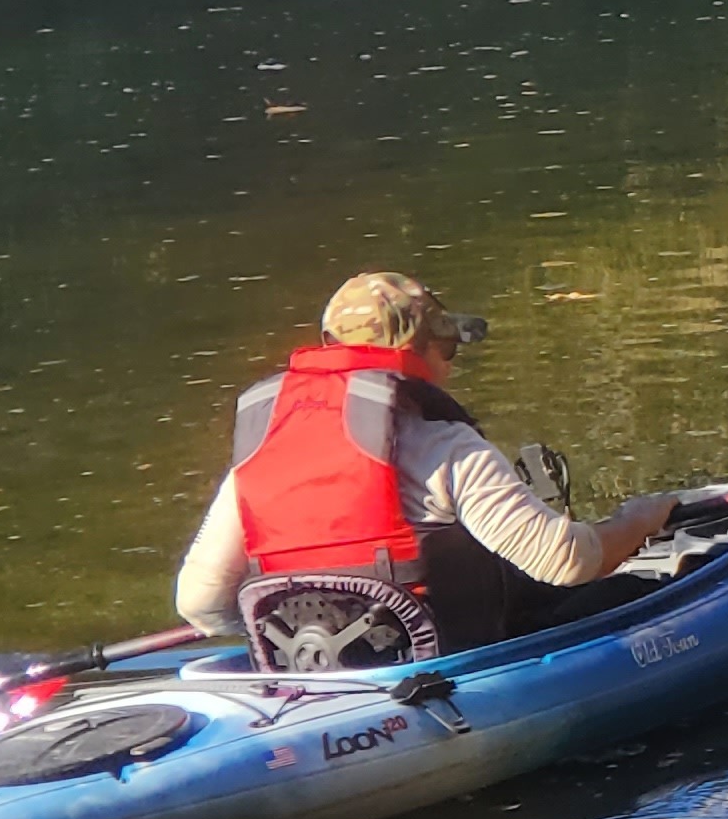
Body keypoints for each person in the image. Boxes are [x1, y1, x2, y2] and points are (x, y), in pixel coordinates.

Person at [176, 272, 679, 669]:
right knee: (634, 590)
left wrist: (281, 632)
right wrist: (639, 520)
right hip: (442, 668)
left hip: (313, 668)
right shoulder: (444, 445)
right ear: (416, 355)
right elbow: (565, 562)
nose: (452, 366)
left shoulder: (259, 457)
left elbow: (199, 604)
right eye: (448, 350)